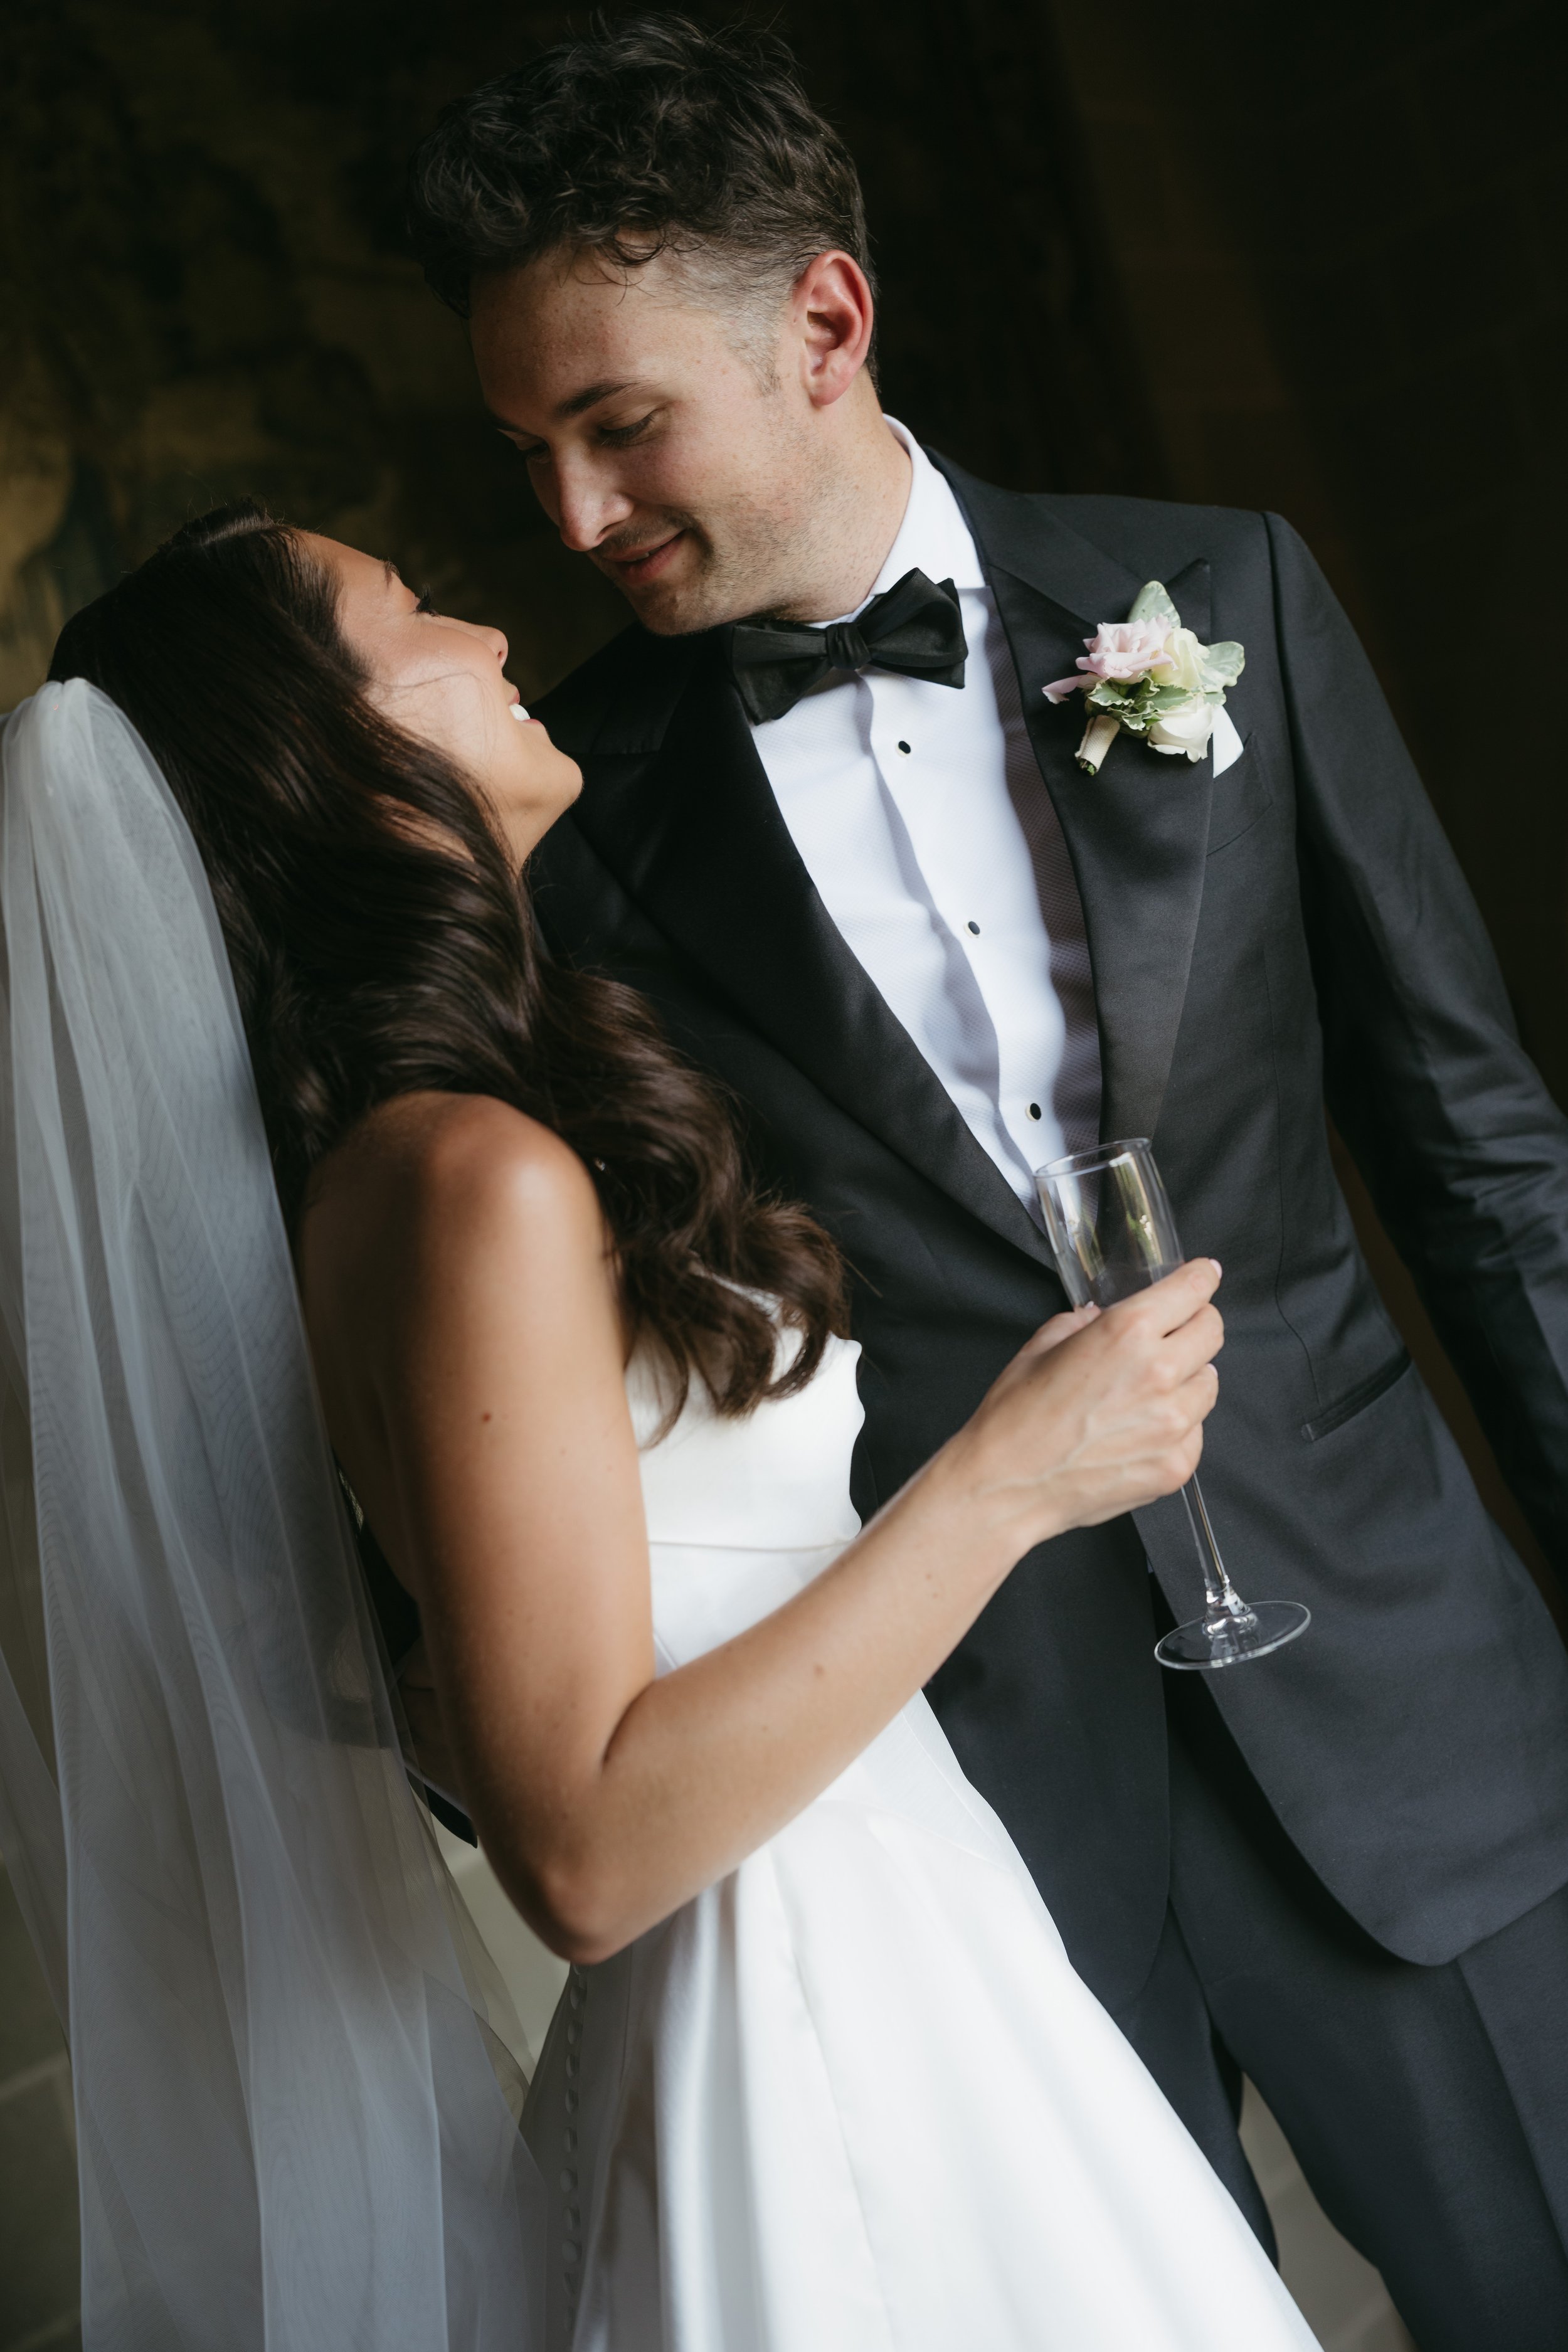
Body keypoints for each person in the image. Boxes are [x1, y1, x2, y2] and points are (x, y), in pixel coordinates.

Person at [398, 17, 1568, 2348]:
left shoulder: (1214, 589)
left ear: (824, 325)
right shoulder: (573, 818)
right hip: (963, 1798)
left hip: (1397, 1696)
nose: (570, 518)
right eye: (527, 449)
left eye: (619, 425)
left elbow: (1476, 1157)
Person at [3, 509, 1321, 2348]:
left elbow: (478, 1708)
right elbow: (585, 1858)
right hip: (795, 2011)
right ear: (331, 752)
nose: (484, 623)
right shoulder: (475, 1183)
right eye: (411, 612)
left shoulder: (400, 1158)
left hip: (888, 1935)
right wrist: (1012, 1477)